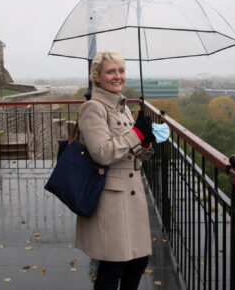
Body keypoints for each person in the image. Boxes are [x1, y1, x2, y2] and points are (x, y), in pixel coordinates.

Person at [76, 51, 155, 290]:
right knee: (113, 267)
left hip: (132, 195)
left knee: (138, 261)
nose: (117, 76)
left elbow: (134, 153)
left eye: (121, 71)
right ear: (97, 77)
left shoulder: (124, 108)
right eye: (111, 71)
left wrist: (146, 143)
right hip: (112, 197)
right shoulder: (93, 108)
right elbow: (101, 152)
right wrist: (136, 134)